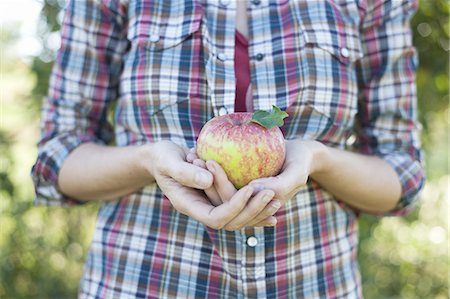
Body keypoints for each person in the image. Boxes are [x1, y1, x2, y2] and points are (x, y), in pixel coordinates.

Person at [31, 0, 425, 297]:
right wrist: (147, 161)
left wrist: (317, 159)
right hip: (143, 281)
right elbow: (58, 160)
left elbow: (401, 175)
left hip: (313, 282)